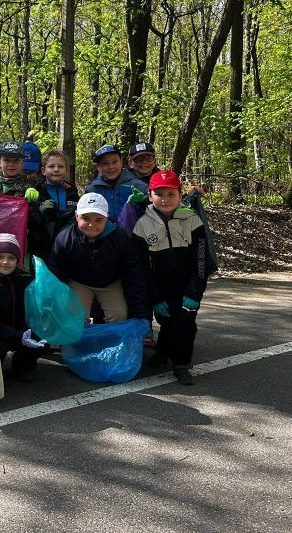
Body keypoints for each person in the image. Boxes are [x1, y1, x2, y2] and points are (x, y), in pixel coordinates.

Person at [131, 170, 208, 385]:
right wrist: (154, 297)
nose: (165, 199)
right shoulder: (142, 224)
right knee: (166, 321)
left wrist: (195, 292)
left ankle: (181, 364)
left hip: (187, 286)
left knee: (185, 323)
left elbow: (201, 259)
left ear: (180, 195)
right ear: (150, 196)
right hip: (160, 286)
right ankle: (164, 351)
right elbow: (141, 266)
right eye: (159, 194)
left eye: (171, 194)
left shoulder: (192, 220)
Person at [47, 192, 149, 324]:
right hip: (79, 281)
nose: (91, 224)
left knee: (119, 315)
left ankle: (111, 337)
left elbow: (132, 273)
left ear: (107, 218)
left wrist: (141, 316)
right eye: (86, 218)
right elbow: (57, 273)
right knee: (74, 316)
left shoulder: (120, 237)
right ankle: (78, 337)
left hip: (110, 282)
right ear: (76, 216)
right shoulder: (64, 238)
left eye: (99, 220)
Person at [0, 233, 49, 382]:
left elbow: (36, 308)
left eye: (11, 258)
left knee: (42, 339)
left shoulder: (26, 279)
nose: (5, 262)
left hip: (22, 329)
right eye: (0, 257)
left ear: (17, 261)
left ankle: (22, 366)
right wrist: (17, 336)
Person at [31, 148, 80, 262]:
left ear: (67, 171)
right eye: (51, 166)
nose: (56, 169)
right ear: (43, 170)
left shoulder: (72, 192)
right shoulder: (36, 192)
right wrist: (40, 211)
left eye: (60, 166)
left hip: (67, 245)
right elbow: (29, 222)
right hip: (41, 246)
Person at [85, 144, 145, 226]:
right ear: (98, 166)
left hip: (134, 232)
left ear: (121, 162)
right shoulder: (92, 190)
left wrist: (144, 202)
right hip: (103, 232)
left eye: (115, 162)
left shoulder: (138, 185)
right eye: (105, 163)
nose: (111, 166)